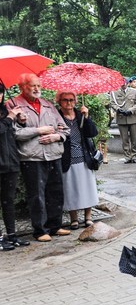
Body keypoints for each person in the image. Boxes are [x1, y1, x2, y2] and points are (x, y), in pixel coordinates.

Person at [9, 74, 71, 242]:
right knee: (37, 194)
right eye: (32, 85)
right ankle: (40, 230)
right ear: (22, 87)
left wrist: (56, 137)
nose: (37, 88)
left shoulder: (48, 105)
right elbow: (13, 133)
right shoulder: (13, 105)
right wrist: (38, 131)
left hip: (53, 153)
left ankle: (55, 225)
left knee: (56, 191)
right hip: (32, 157)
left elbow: (64, 129)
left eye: (38, 85)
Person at [56, 91, 99, 229]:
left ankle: (88, 216)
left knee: (87, 187)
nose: (69, 103)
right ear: (59, 102)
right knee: (70, 188)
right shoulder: (57, 117)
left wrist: (87, 117)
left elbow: (92, 133)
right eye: (65, 100)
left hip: (84, 156)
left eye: (71, 100)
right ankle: (73, 218)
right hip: (67, 157)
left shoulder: (80, 114)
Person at [0, 83, 28, 249]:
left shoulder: (4, 110)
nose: (0, 96)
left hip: (10, 161)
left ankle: (12, 235)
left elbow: (12, 133)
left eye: (1, 92)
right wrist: (10, 117)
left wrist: (21, 120)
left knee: (8, 201)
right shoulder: (7, 114)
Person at [110, 77, 136, 163]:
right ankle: (127, 156)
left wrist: (131, 110)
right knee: (124, 140)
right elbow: (112, 103)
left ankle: (134, 155)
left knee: (134, 139)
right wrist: (118, 109)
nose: (123, 85)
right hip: (121, 118)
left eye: (125, 83)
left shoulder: (134, 92)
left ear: (128, 83)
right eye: (121, 84)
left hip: (132, 118)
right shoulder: (114, 93)